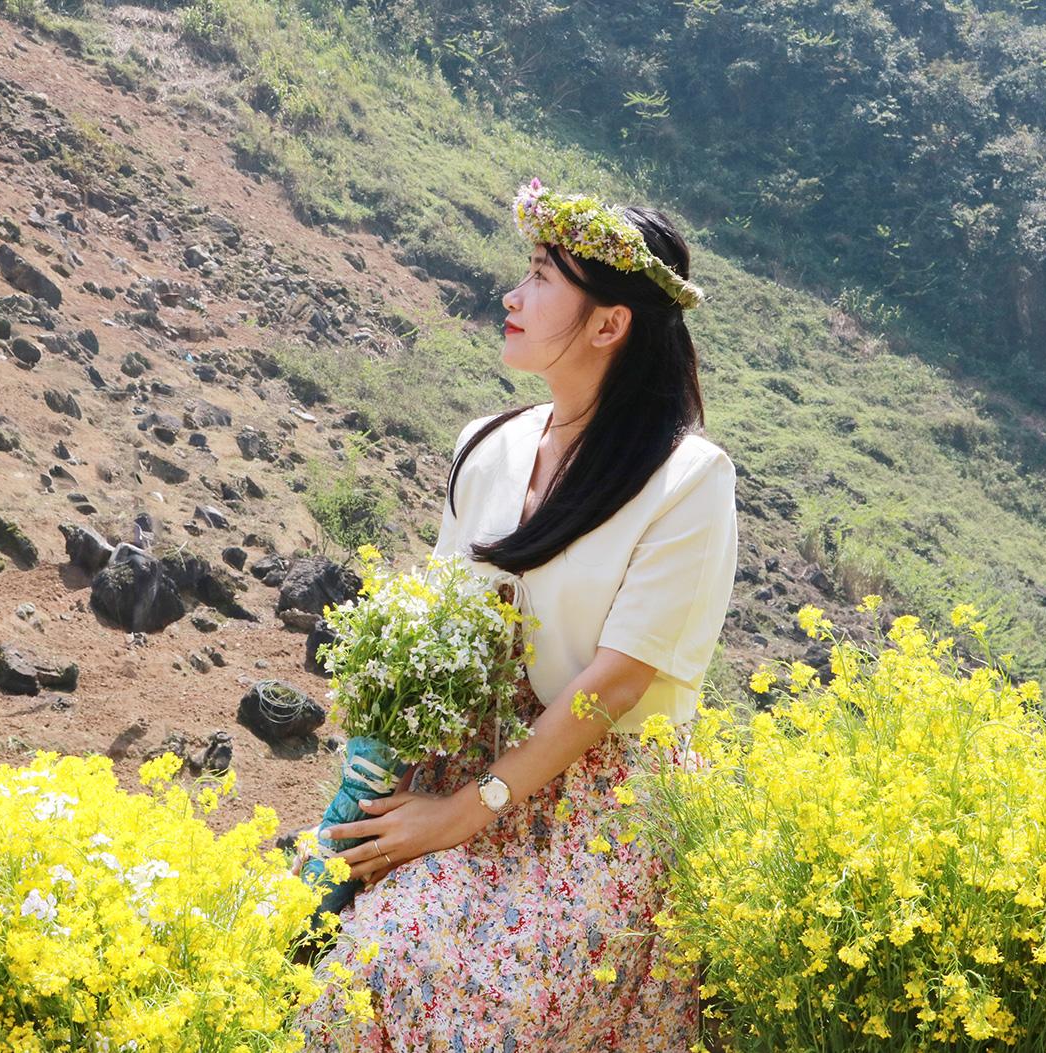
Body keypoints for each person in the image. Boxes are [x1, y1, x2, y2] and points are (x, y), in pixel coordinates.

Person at [294, 177, 739, 1052]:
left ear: (610, 323)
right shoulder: (486, 447)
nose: (512, 293)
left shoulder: (688, 481)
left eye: (541, 275)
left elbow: (613, 685)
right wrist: (382, 768)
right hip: (463, 766)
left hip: (598, 809)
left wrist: (468, 809)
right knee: (327, 954)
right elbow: (433, 631)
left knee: (473, 994)